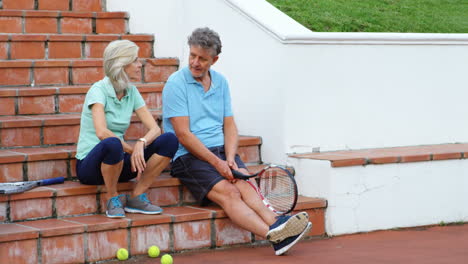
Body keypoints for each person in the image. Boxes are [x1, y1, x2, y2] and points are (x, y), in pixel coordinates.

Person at [162, 27, 311, 255]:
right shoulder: (175, 84)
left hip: (221, 150)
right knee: (230, 193)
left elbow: (229, 124)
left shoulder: (221, 82)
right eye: (192, 55)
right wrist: (217, 163)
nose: (195, 62)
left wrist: (230, 158)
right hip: (188, 155)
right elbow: (183, 135)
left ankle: (278, 224)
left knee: (245, 185)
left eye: (202, 58)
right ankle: (274, 235)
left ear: (215, 59)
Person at [76, 39, 178, 218]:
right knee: (112, 142)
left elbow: (155, 129)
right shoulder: (98, 90)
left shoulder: (131, 92)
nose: (140, 65)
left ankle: (137, 196)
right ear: (121, 64)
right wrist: (132, 150)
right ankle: (112, 198)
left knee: (169, 140)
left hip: (119, 163)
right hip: (90, 167)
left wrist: (141, 143)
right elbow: (101, 132)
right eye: (135, 60)